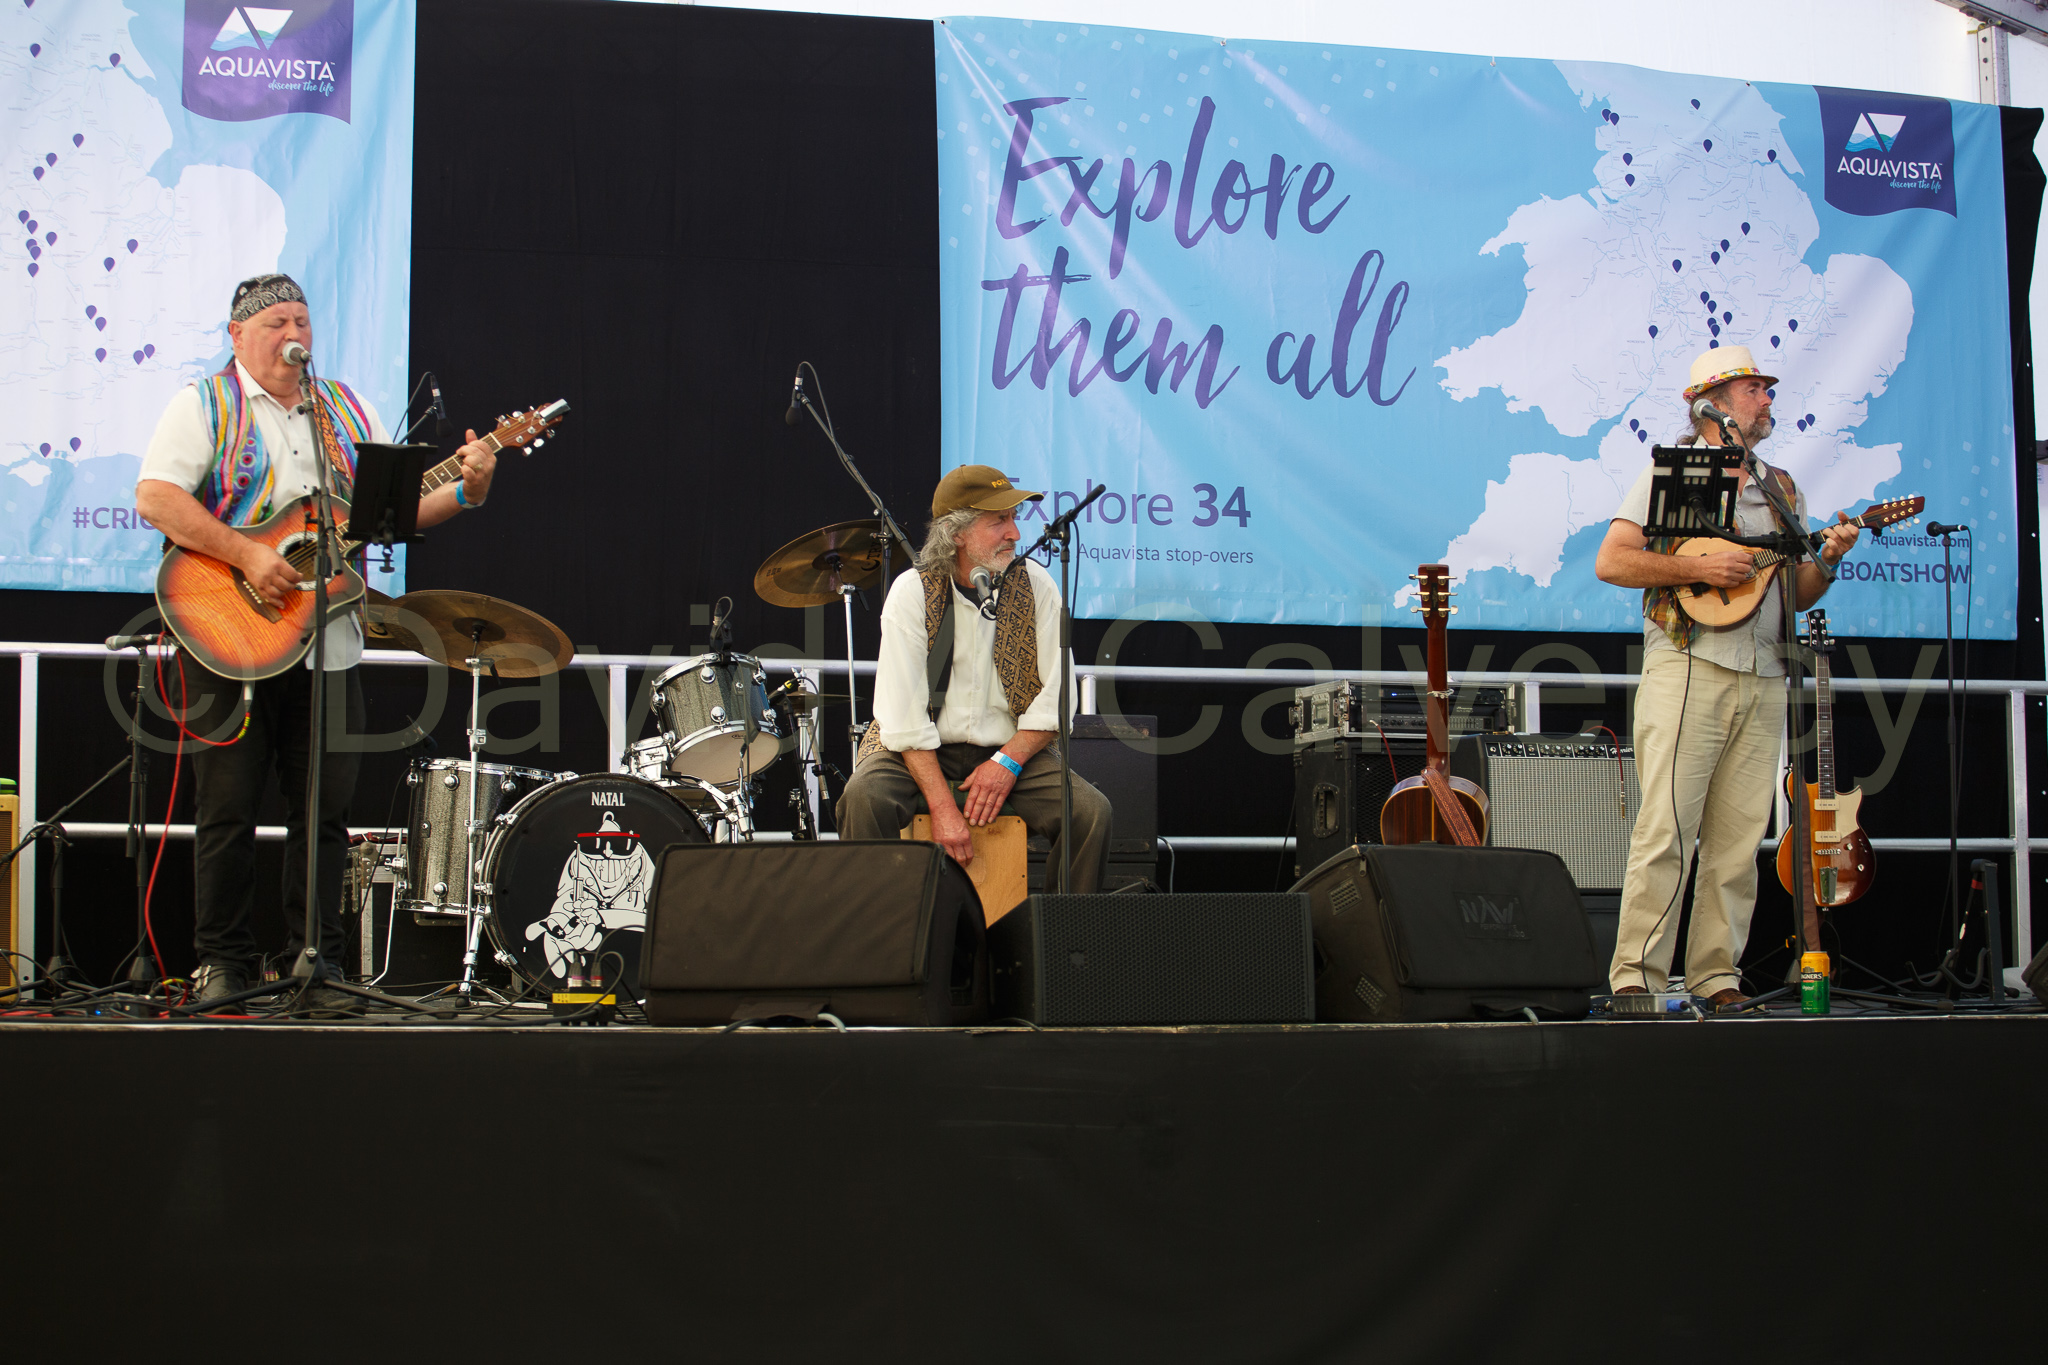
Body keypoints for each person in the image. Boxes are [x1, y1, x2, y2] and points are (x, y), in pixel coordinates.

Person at [135, 273, 500, 1008]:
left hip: (327, 642)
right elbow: (156, 497)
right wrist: (248, 555)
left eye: (301, 319)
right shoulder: (204, 404)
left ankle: (315, 962)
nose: (293, 332)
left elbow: (391, 513)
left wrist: (468, 489)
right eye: (275, 321)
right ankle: (222, 962)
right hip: (227, 637)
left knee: (324, 813)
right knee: (228, 808)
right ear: (237, 335)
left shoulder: (343, 409)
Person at [1594, 345, 1862, 1007]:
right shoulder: (1679, 473)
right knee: (1667, 829)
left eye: (1768, 390)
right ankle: (1636, 978)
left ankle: (1716, 977)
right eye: (1754, 389)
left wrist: (1827, 560)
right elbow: (1614, 560)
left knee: (1739, 840)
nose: (1768, 399)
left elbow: (1792, 593)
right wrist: (1698, 569)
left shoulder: (1781, 488)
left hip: (1765, 670)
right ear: (1713, 405)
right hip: (1688, 665)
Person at [836, 464, 1112, 893]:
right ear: (956, 533)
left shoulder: (1036, 585)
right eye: (999, 520)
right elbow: (903, 717)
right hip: (917, 752)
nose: (1015, 533)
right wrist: (943, 807)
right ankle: (880, 927)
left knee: (1090, 813)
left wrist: (1007, 762)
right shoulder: (912, 592)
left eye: (1014, 518)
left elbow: (1058, 698)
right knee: (862, 799)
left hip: (1010, 748)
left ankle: (1061, 930)